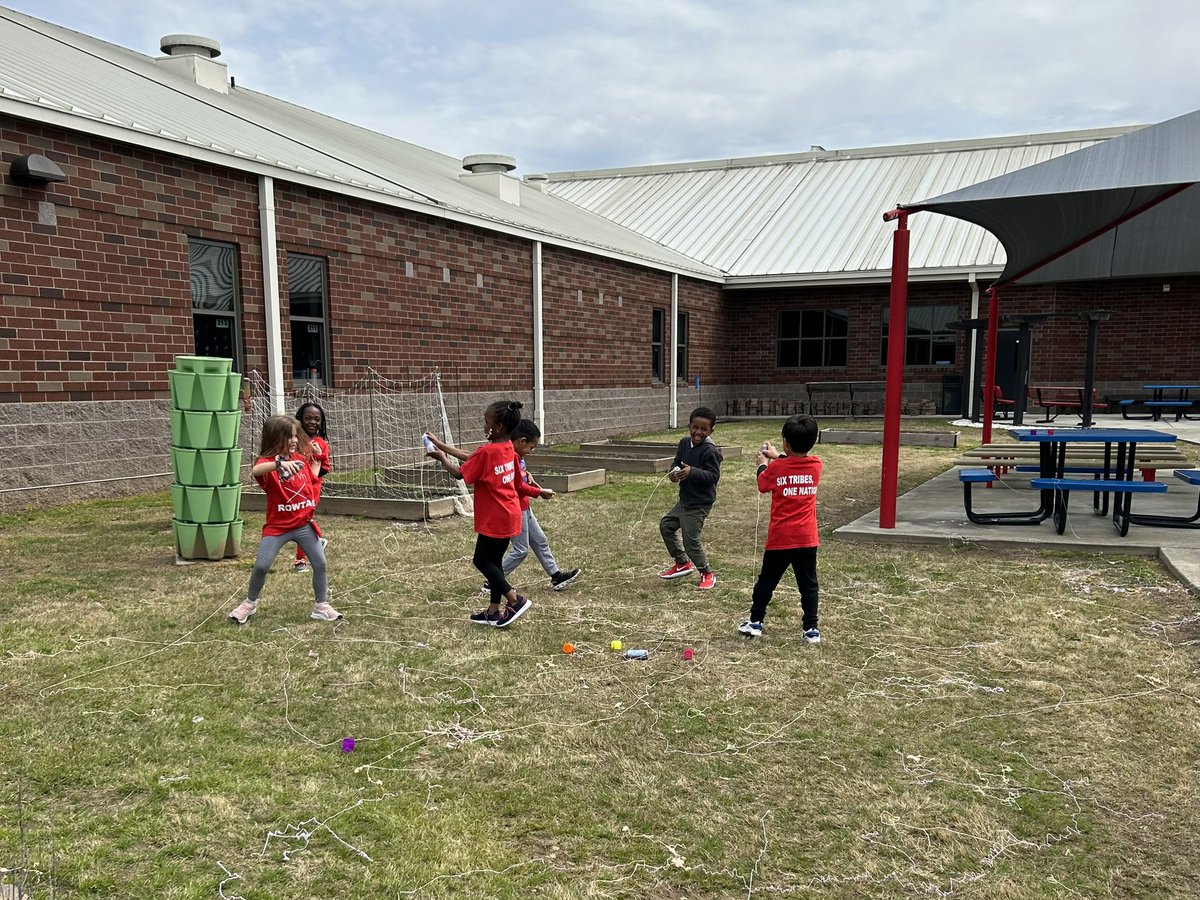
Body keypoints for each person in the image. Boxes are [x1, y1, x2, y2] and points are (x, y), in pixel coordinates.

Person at [425, 400, 540, 627]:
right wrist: (441, 444)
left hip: (495, 518)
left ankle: (514, 599)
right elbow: (474, 459)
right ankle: (493, 611)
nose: (484, 426)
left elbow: (460, 473)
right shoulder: (508, 448)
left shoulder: (487, 452)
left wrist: (442, 458)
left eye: (486, 422)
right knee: (495, 562)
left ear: (498, 427)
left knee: (481, 560)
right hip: (510, 514)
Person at [229, 415, 343, 625]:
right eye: (289, 436)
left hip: (303, 525)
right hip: (277, 528)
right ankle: (249, 603)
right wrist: (278, 464)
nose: (294, 440)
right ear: (275, 438)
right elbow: (256, 470)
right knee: (262, 566)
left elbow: (312, 478)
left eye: (295, 436)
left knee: (320, 564)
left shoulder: (299, 459)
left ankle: (321, 605)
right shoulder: (267, 464)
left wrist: (317, 458)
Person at [738, 414, 822, 643]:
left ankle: (755, 621)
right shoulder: (816, 465)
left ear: (786, 443)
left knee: (767, 581)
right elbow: (794, 463)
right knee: (808, 585)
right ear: (813, 442)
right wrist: (778, 456)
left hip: (780, 539)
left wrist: (763, 464)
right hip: (807, 538)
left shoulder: (776, 468)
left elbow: (762, 484)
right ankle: (811, 629)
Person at [494, 419, 580, 592]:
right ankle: (494, 580)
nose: (531, 452)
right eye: (531, 447)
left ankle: (556, 576)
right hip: (515, 508)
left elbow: (520, 475)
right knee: (521, 550)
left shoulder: (518, 456)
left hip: (525, 507)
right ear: (522, 441)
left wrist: (528, 474)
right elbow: (518, 486)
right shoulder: (510, 457)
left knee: (540, 541)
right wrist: (539, 492)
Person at [658, 406, 722, 590]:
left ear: (711, 431)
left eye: (704, 429)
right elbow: (676, 463)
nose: (698, 432)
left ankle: (707, 573)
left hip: (699, 504)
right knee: (666, 526)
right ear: (689, 427)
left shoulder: (710, 451)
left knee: (690, 541)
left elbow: (713, 476)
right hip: (685, 500)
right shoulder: (684, 443)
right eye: (695, 427)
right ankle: (682, 563)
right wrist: (673, 473)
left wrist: (692, 471)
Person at [293, 401, 331, 574]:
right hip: (293, 488)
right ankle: (318, 542)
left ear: (321, 423)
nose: (312, 422)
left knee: (304, 520)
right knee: (296, 520)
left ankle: (301, 559)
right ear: (300, 419)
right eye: (308, 418)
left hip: (311, 490)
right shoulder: (294, 441)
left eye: (317, 419)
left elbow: (325, 468)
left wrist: (310, 476)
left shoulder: (321, 444)